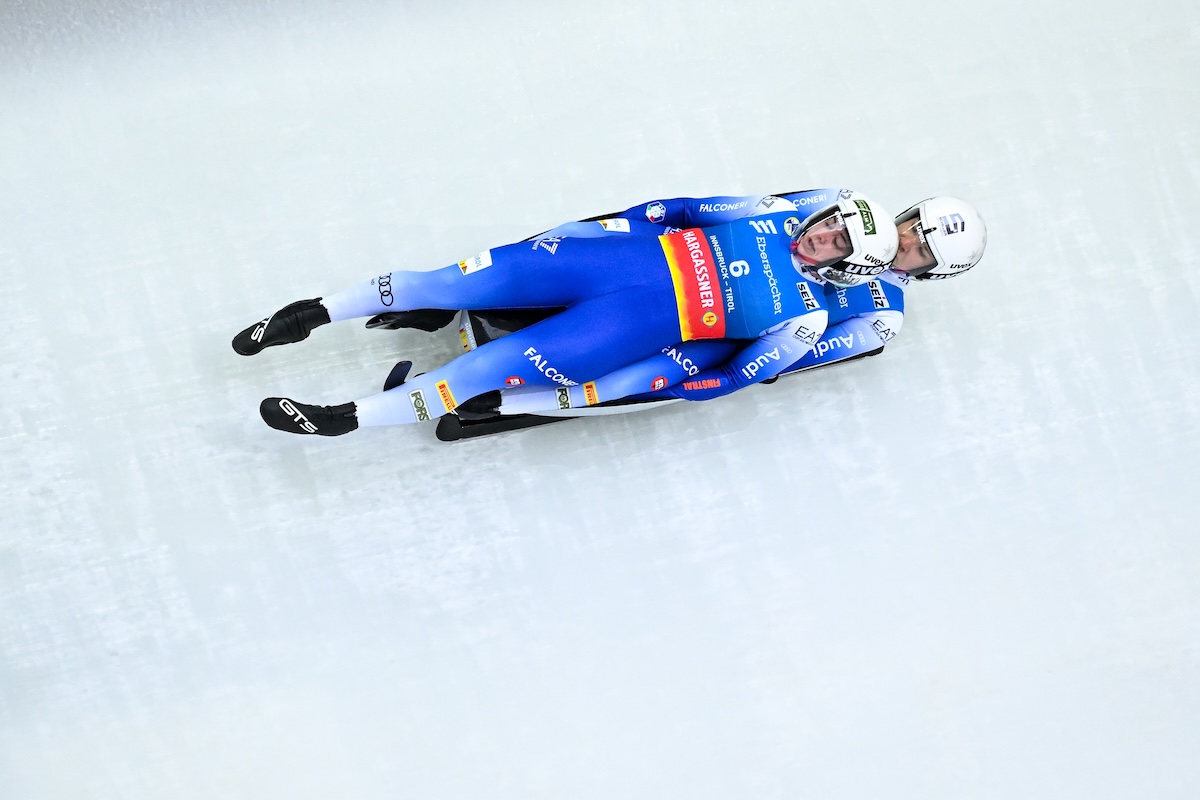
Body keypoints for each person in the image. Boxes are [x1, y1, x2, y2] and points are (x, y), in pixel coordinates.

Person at [232, 192, 899, 435]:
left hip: (623, 330)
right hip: (603, 263)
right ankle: (310, 313)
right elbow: (671, 209)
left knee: (482, 368)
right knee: (440, 280)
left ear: (853, 265)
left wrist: (676, 382)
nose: (820, 234)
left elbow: (734, 376)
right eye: (828, 222)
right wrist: (594, 229)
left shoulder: (807, 319)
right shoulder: (768, 212)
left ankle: (344, 420)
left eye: (838, 240)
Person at [453, 193, 987, 419]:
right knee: (589, 242)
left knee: (636, 373)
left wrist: (728, 368)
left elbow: (799, 355)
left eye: (919, 251)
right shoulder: (848, 204)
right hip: (704, 266)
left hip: (727, 331)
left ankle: (500, 403)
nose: (905, 241)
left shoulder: (883, 317)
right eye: (913, 226)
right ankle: (464, 285)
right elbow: (765, 211)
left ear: (930, 273)